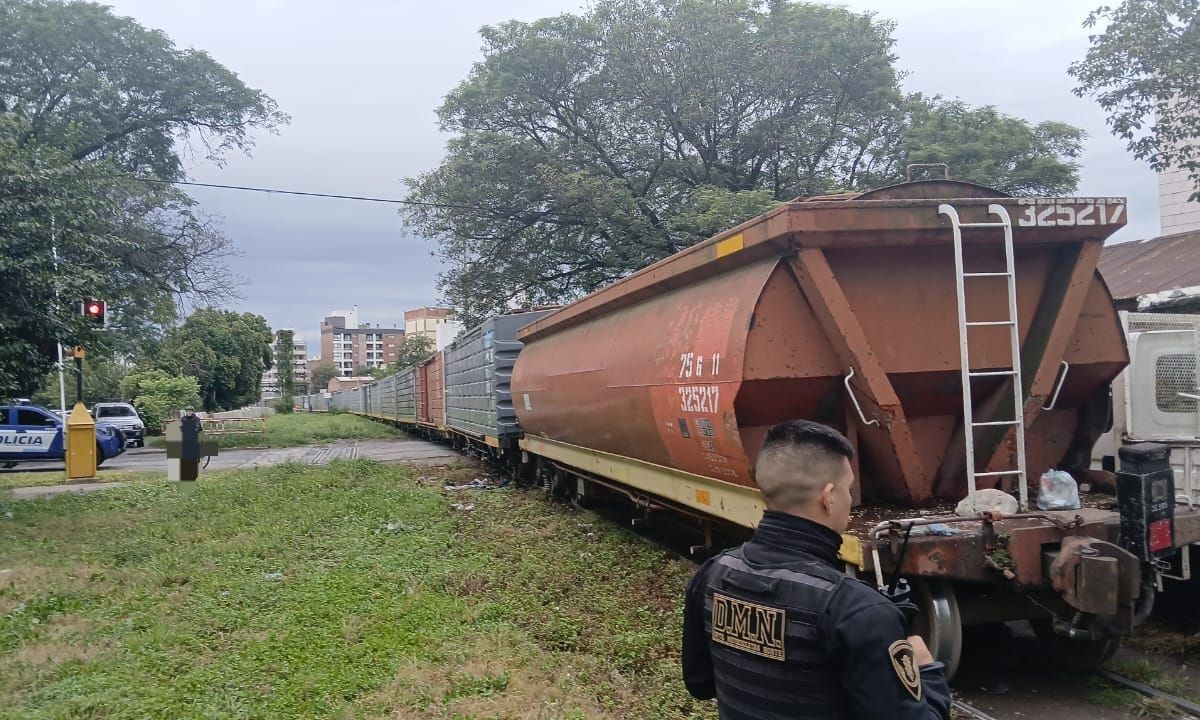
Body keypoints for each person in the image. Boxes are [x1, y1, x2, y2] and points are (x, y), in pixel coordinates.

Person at [682, 419, 951, 720]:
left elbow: (700, 684)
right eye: (848, 489)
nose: (850, 500)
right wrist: (926, 669)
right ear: (829, 496)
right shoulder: (856, 610)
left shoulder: (711, 574)